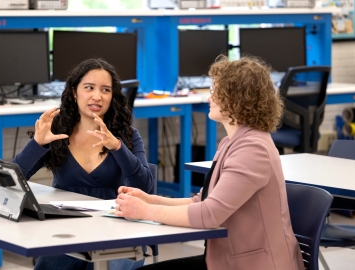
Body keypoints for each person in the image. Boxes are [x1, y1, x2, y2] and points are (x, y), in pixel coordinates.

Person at [115, 55, 305, 270]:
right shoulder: (232, 142)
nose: (209, 98)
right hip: (229, 259)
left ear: (236, 98)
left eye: (215, 92)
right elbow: (202, 202)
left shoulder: (253, 149)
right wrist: (150, 201)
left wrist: (144, 211)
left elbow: (209, 215)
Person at [12, 58, 154, 270]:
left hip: (117, 229)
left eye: (105, 90)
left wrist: (117, 148)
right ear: (74, 92)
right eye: (89, 88)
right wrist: (38, 143)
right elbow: (15, 178)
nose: (97, 96)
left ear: (112, 96)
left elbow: (146, 187)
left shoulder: (127, 136)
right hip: (69, 230)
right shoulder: (57, 132)